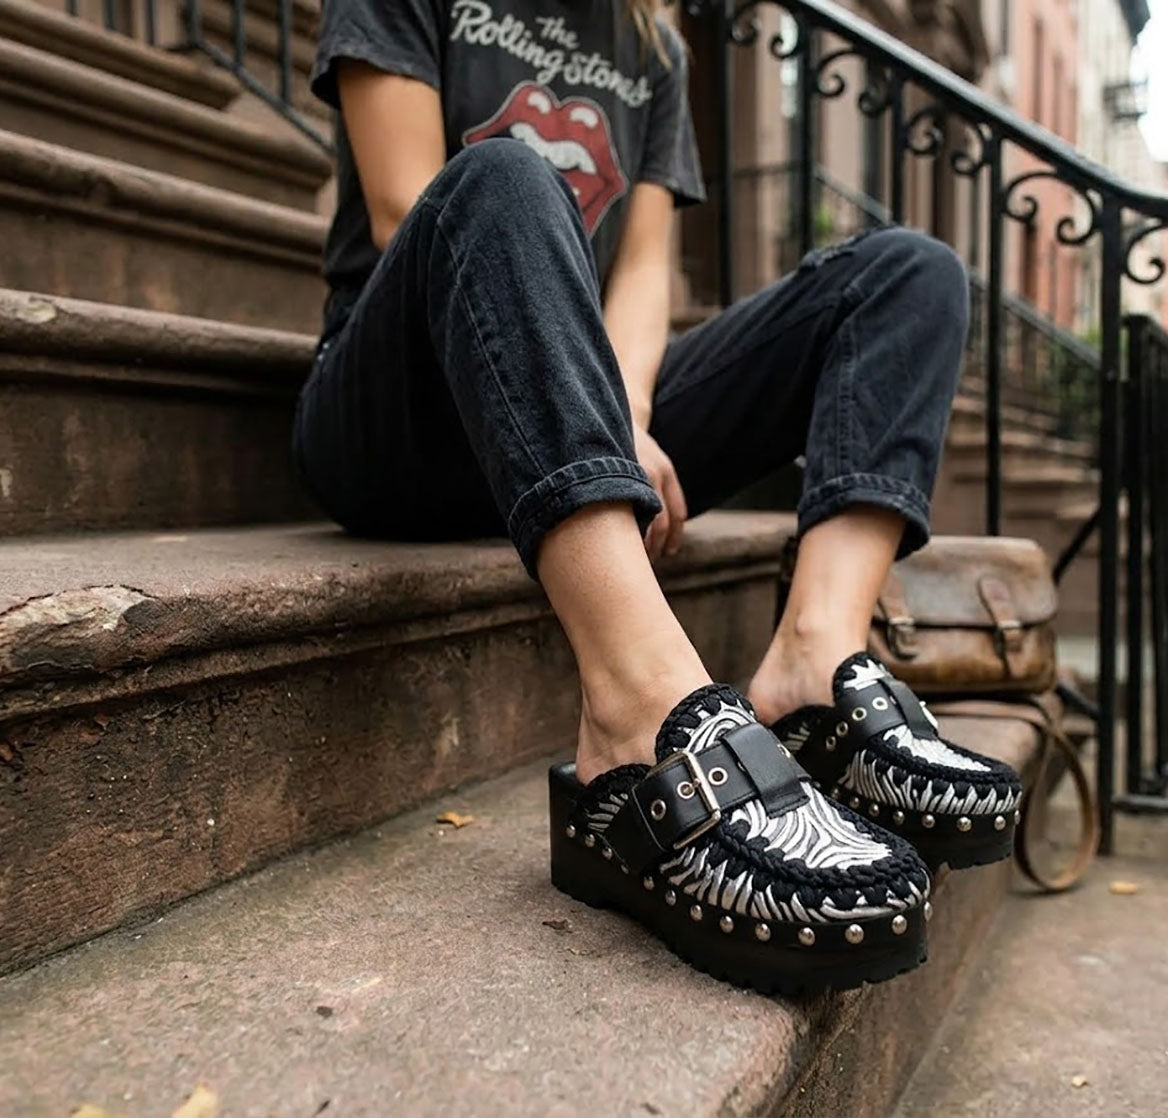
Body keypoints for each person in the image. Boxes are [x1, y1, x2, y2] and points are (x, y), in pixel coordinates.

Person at [295, 0, 1022, 994]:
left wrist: (626, 410)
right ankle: (635, 711)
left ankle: (815, 660)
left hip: (576, 399)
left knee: (908, 274)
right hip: (399, 417)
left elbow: (643, 271)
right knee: (505, 174)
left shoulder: (651, 42)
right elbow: (406, 208)